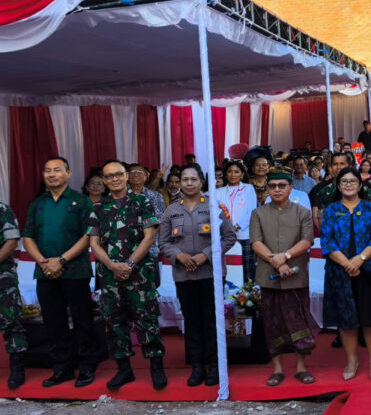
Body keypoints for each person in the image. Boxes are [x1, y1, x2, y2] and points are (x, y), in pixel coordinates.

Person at [87, 160, 167, 391]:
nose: (114, 179)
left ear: (126, 176)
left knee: (147, 319)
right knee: (114, 322)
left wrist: (129, 264)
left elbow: (149, 237)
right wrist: (112, 266)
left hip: (139, 273)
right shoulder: (98, 208)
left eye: (118, 174)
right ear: (104, 180)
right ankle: (124, 370)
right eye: (109, 176)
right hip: (109, 275)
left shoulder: (142, 201)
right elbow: (94, 243)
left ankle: (156, 367)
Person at [22, 157, 99, 388]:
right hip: (45, 271)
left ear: (68, 173)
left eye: (57, 170)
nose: (52, 174)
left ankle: (87, 366)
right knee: (53, 322)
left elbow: (88, 235)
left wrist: (62, 260)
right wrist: (43, 261)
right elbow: (28, 236)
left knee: (82, 320)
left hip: (75, 271)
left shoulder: (81, 201)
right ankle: (62, 368)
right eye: (47, 170)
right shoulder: (37, 204)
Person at [158, 164, 236, 387]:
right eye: (185, 179)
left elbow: (229, 237)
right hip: (184, 275)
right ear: (180, 183)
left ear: (201, 182)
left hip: (210, 274)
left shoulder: (214, 207)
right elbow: (163, 242)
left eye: (194, 179)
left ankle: (215, 364)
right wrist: (179, 255)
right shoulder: (172, 210)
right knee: (191, 321)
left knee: (211, 320)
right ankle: (197, 365)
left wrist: (206, 255)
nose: (189, 183)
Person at [320, 167, 371, 382]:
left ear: (360, 185)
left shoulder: (369, 209)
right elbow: (327, 241)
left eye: (352, 181)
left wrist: (360, 259)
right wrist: (347, 263)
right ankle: (351, 360)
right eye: (344, 181)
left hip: (368, 271)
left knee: (370, 317)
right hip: (339, 273)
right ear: (338, 186)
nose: (348, 184)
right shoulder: (331, 210)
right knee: (346, 318)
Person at [250, 167, 318, 387]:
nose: (277, 189)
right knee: (273, 323)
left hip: (295, 275)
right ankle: (277, 369)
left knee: (299, 321)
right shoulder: (258, 213)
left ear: (290, 188)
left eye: (282, 185)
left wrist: (286, 256)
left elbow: (307, 240)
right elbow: (256, 242)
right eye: (272, 186)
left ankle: (301, 367)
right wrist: (277, 261)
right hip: (268, 276)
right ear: (267, 189)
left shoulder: (302, 212)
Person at [216, 160, 259, 283]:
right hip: (224, 236)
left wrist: (236, 226)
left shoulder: (249, 189)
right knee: (228, 268)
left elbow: (251, 210)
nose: (233, 174)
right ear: (225, 174)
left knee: (247, 268)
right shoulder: (218, 192)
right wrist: (226, 229)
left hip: (244, 234)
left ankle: (248, 293)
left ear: (242, 174)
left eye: (236, 172)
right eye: (229, 171)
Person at [0, 201, 27, 389]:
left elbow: (11, 242)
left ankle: (17, 369)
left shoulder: (2, 209)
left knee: (10, 321)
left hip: (2, 276)